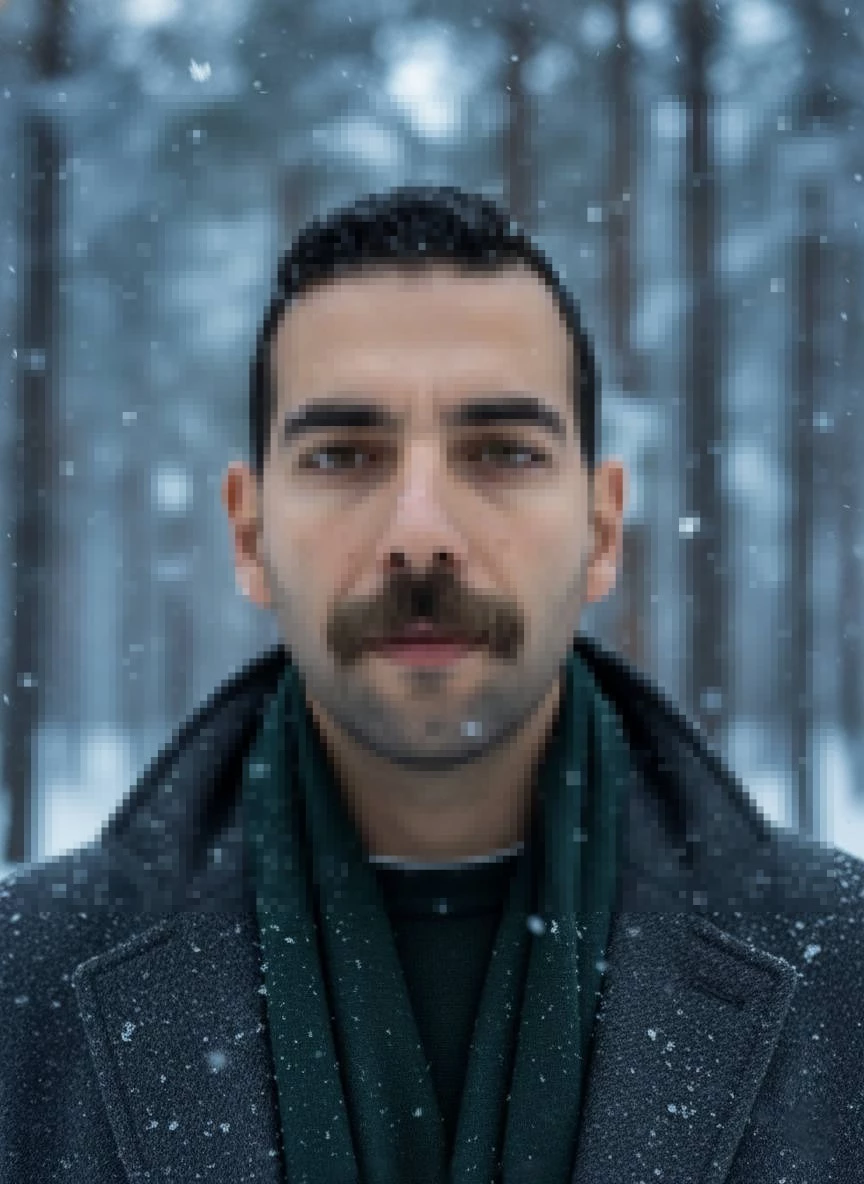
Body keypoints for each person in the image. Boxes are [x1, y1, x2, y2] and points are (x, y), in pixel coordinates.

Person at [2, 187, 862, 1184]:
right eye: (342, 455)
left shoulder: (841, 977)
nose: (420, 531)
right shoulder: (26, 990)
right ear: (249, 533)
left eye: (501, 452)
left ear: (600, 527)